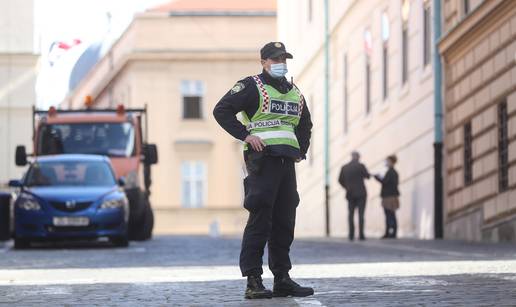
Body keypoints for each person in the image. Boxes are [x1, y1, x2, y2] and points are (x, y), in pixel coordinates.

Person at [213, 42, 314, 299]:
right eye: (275, 58)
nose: (281, 62)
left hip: (286, 162)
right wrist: (245, 135)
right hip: (262, 161)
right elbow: (221, 110)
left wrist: (301, 149)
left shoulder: (293, 91)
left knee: (284, 220)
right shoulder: (251, 86)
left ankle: (282, 278)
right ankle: (253, 280)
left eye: (284, 58)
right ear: (264, 62)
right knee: (260, 217)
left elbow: (305, 123)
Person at [338, 151, 370, 241]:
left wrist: (347, 187)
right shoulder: (361, 166)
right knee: (361, 214)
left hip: (350, 193)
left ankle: (351, 235)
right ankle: (361, 235)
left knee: (350, 214)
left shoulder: (344, 167)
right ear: (358, 157)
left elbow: (340, 180)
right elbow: (367, 176)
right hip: (361, 193)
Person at [374, 155, 400, 239]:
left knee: (390, 215)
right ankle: (389, 232)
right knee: (389, 215)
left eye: (387, 161)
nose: (386, 163)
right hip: (389, 196)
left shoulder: (392, 172)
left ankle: (391, 232)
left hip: (390, 196)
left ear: (392, 162)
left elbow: (385, 182)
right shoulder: (391, 172)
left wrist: (377, 178)